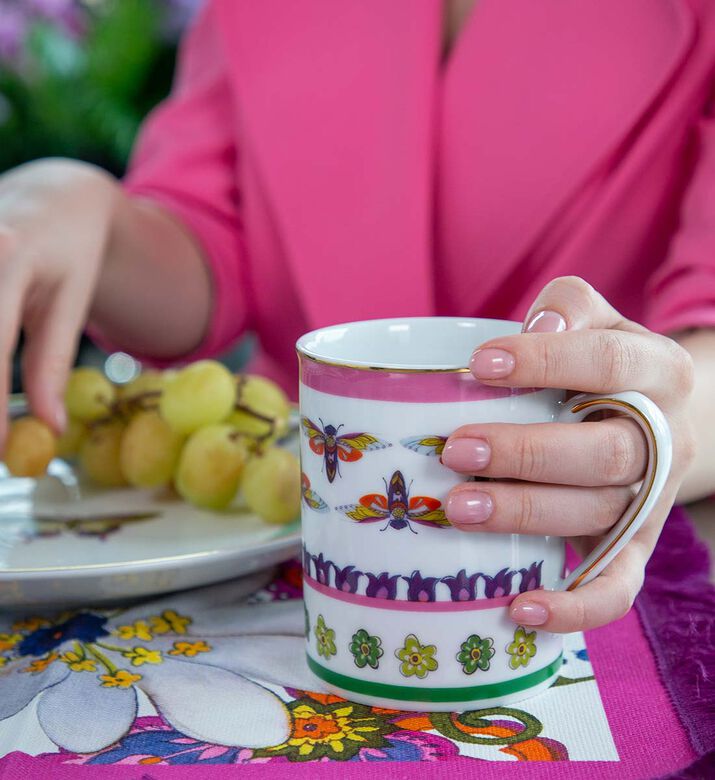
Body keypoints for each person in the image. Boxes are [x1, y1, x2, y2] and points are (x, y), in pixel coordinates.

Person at [0, 0, 713, 635]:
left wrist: (652, 429)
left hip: (600, 559)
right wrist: (83, 210)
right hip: (278, 539)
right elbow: (208, 239)